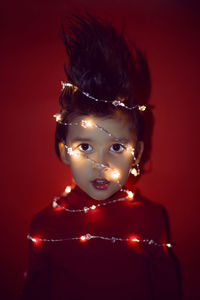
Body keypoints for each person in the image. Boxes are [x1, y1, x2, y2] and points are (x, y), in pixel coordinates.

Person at [21, 15, 181, 300]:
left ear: (138, 154)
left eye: (116, 148)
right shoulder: (43, 227)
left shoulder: (150, 219)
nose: (101, 164)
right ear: (63, 152)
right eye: (85, 147)